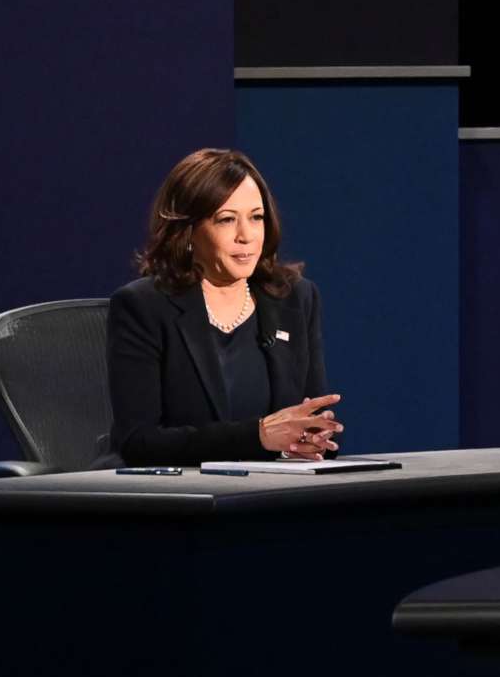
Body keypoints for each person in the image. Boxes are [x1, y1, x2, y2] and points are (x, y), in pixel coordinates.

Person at [107, 148, 344, 466]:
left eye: (256, 218)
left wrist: (313, 438)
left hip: (272, 495)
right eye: (227, 220)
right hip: (181, 499)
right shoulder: (144, 307)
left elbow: (312, 417)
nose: (246, 236)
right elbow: (139, 443)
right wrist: (258, 437)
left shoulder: (295, 298)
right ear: (189, 230)